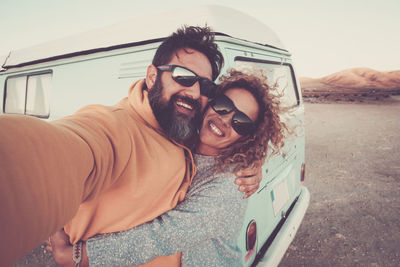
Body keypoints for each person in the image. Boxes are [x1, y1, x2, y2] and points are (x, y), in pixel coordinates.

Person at [0, 26, 261, 266]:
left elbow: (168, 233)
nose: (193, 93)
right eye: (183, 76)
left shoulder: (196, 141)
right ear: (151, 76)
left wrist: (256, 160)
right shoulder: (115, 127)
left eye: (204, 86)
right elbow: (64, 153)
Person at [48, 69, 287, 267]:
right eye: (224, 105)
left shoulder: (229, 184)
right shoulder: (182, 139)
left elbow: (161, 236)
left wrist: (77, 256)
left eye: (241, 122)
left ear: (245, 138)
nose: (226, 119)